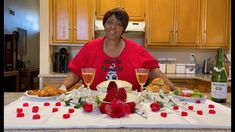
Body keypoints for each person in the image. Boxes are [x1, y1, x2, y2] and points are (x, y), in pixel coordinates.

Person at [59, 8, 175, 92]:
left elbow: (154, 70)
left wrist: (174, 89)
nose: (113, 27)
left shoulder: (136, 49)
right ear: (104, 25)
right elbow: (75, 72)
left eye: (119, 24)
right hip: (94, 104)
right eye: (109, 22)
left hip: (129, 103)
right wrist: (62, 88)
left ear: (123, 29)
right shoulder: (90, 47)